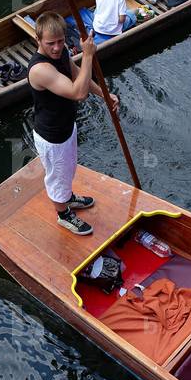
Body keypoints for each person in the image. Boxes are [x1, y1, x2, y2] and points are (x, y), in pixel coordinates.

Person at [27, 12, 119, 237]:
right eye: (50, 43)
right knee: (57, 177)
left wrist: (104, 95)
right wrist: (87, 55)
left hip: (67, 125)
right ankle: (63, 214)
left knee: (67, 170)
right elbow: (78, 92)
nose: (57, 48)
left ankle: (67, 198)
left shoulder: (62, 52)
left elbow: (77, 75)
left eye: (60, 41)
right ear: (38, 39)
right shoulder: (39, 69)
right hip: (52, 135)